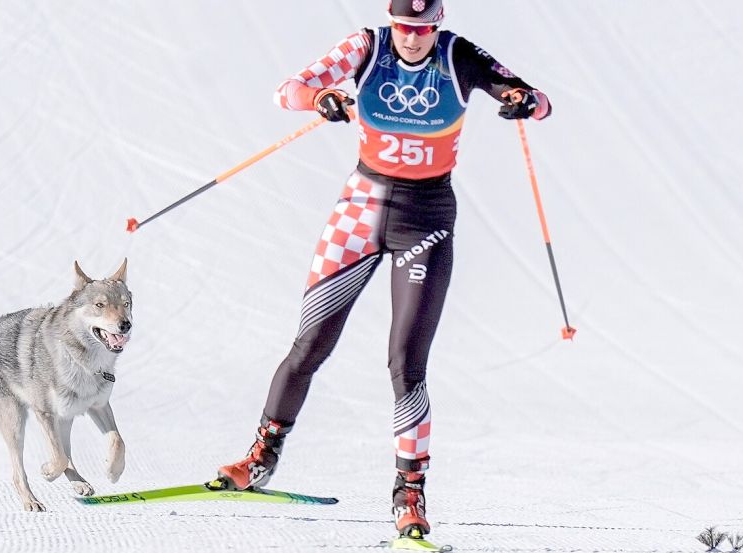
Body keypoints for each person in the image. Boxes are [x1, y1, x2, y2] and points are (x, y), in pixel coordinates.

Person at [217, 0, 552, 540]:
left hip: (426, 221)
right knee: (309, 344)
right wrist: (321, 97)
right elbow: (287, 90)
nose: (413, 38)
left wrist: (521, 100)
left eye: (422, 28)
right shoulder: (366, 47)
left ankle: (410, 496)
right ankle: (260, 458)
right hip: (360, 210)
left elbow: (537, 101)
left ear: (435, 25)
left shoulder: (457, 55)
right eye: (404, 27)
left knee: (405, 364)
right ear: (391, 22)